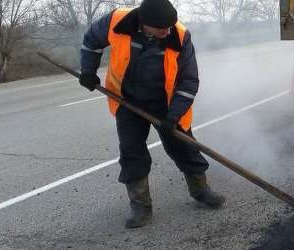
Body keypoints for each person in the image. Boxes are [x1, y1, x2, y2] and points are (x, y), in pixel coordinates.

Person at [79, 0, 225, 228]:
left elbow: (188, 82)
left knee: (184, 146)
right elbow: (91, 43)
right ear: (144, 24)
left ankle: (201, 190)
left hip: (166, 103)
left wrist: (173, 117)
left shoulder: (179, 35)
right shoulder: (117, 21)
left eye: (170, 26)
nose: (168, 31)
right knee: (132, 150)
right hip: (127, 100)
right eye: (162, 28)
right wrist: (88, 71)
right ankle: (140, 205)